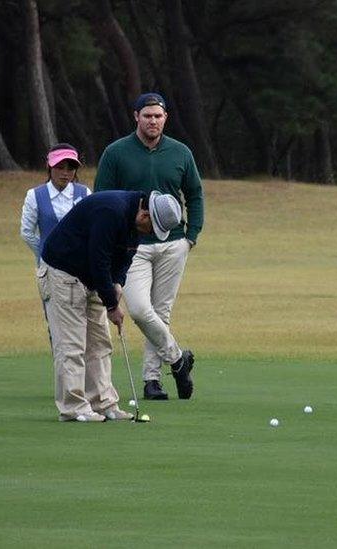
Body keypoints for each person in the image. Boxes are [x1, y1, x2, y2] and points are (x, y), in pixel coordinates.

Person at [94, 92, 204, 401]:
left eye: (158, 116)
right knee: (141, 310)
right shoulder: (116, 153)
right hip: (133, 246)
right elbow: (103, 198)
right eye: (147, 115)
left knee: (161, 312)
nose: (152, 121)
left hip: (172, 244)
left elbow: (194, 194)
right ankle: (178, 360)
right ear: (136, 117)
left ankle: (152, 381)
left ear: (165, 118)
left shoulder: (180, 153)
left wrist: (191, 235)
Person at [39, 190, 183, 422]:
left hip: (92, 278)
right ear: (145, 215)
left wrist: (117, 285)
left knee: (100, 343)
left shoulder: (135, 223)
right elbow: (99, 259)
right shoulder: (111, 211)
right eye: (152, 229)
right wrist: (112, 305)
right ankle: (73, 408)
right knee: (72, 344)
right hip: (63, 272)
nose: (150, 234)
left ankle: (104, 403)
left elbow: (125, 258)